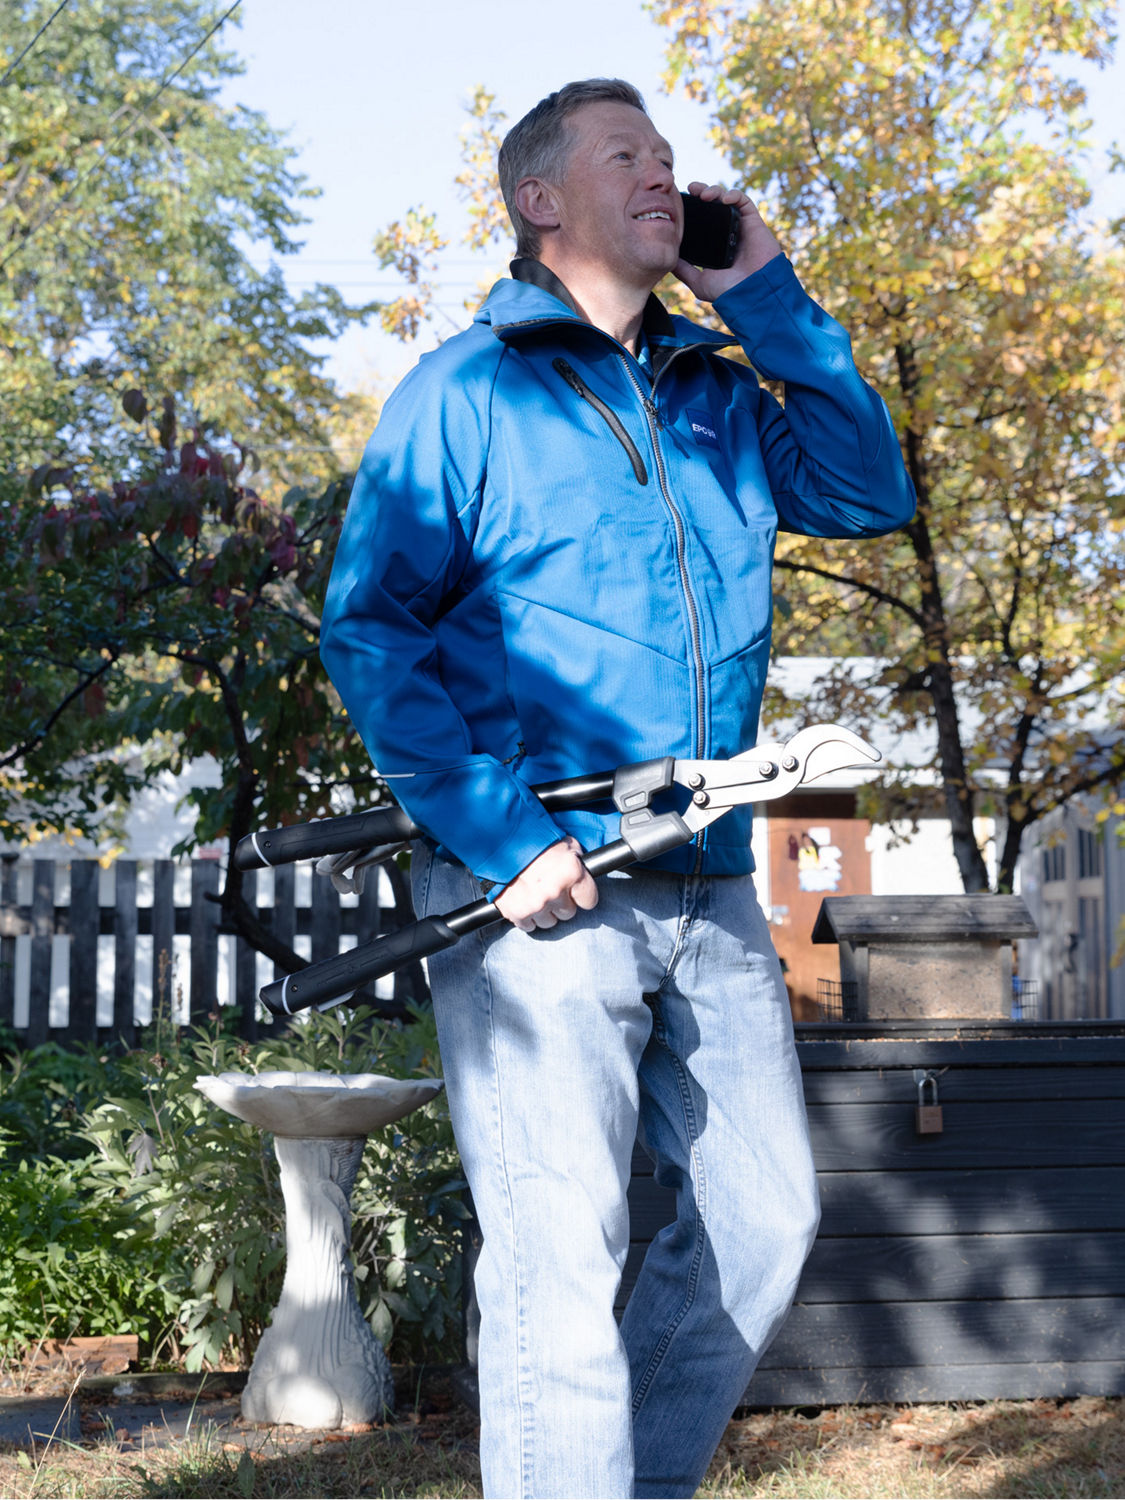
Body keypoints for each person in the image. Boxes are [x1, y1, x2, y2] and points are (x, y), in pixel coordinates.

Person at [321, 78, 915, 1499]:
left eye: (667, 156)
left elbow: (864, 486)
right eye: (624, 156)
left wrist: (763, 292)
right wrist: (501, 837)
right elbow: (372, 630)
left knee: (762, 1224)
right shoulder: (464, 393)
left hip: (705, 876)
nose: (665, 173)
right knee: (558, 1258)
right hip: (537, 889)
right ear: (541, 201)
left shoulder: (717, 391)